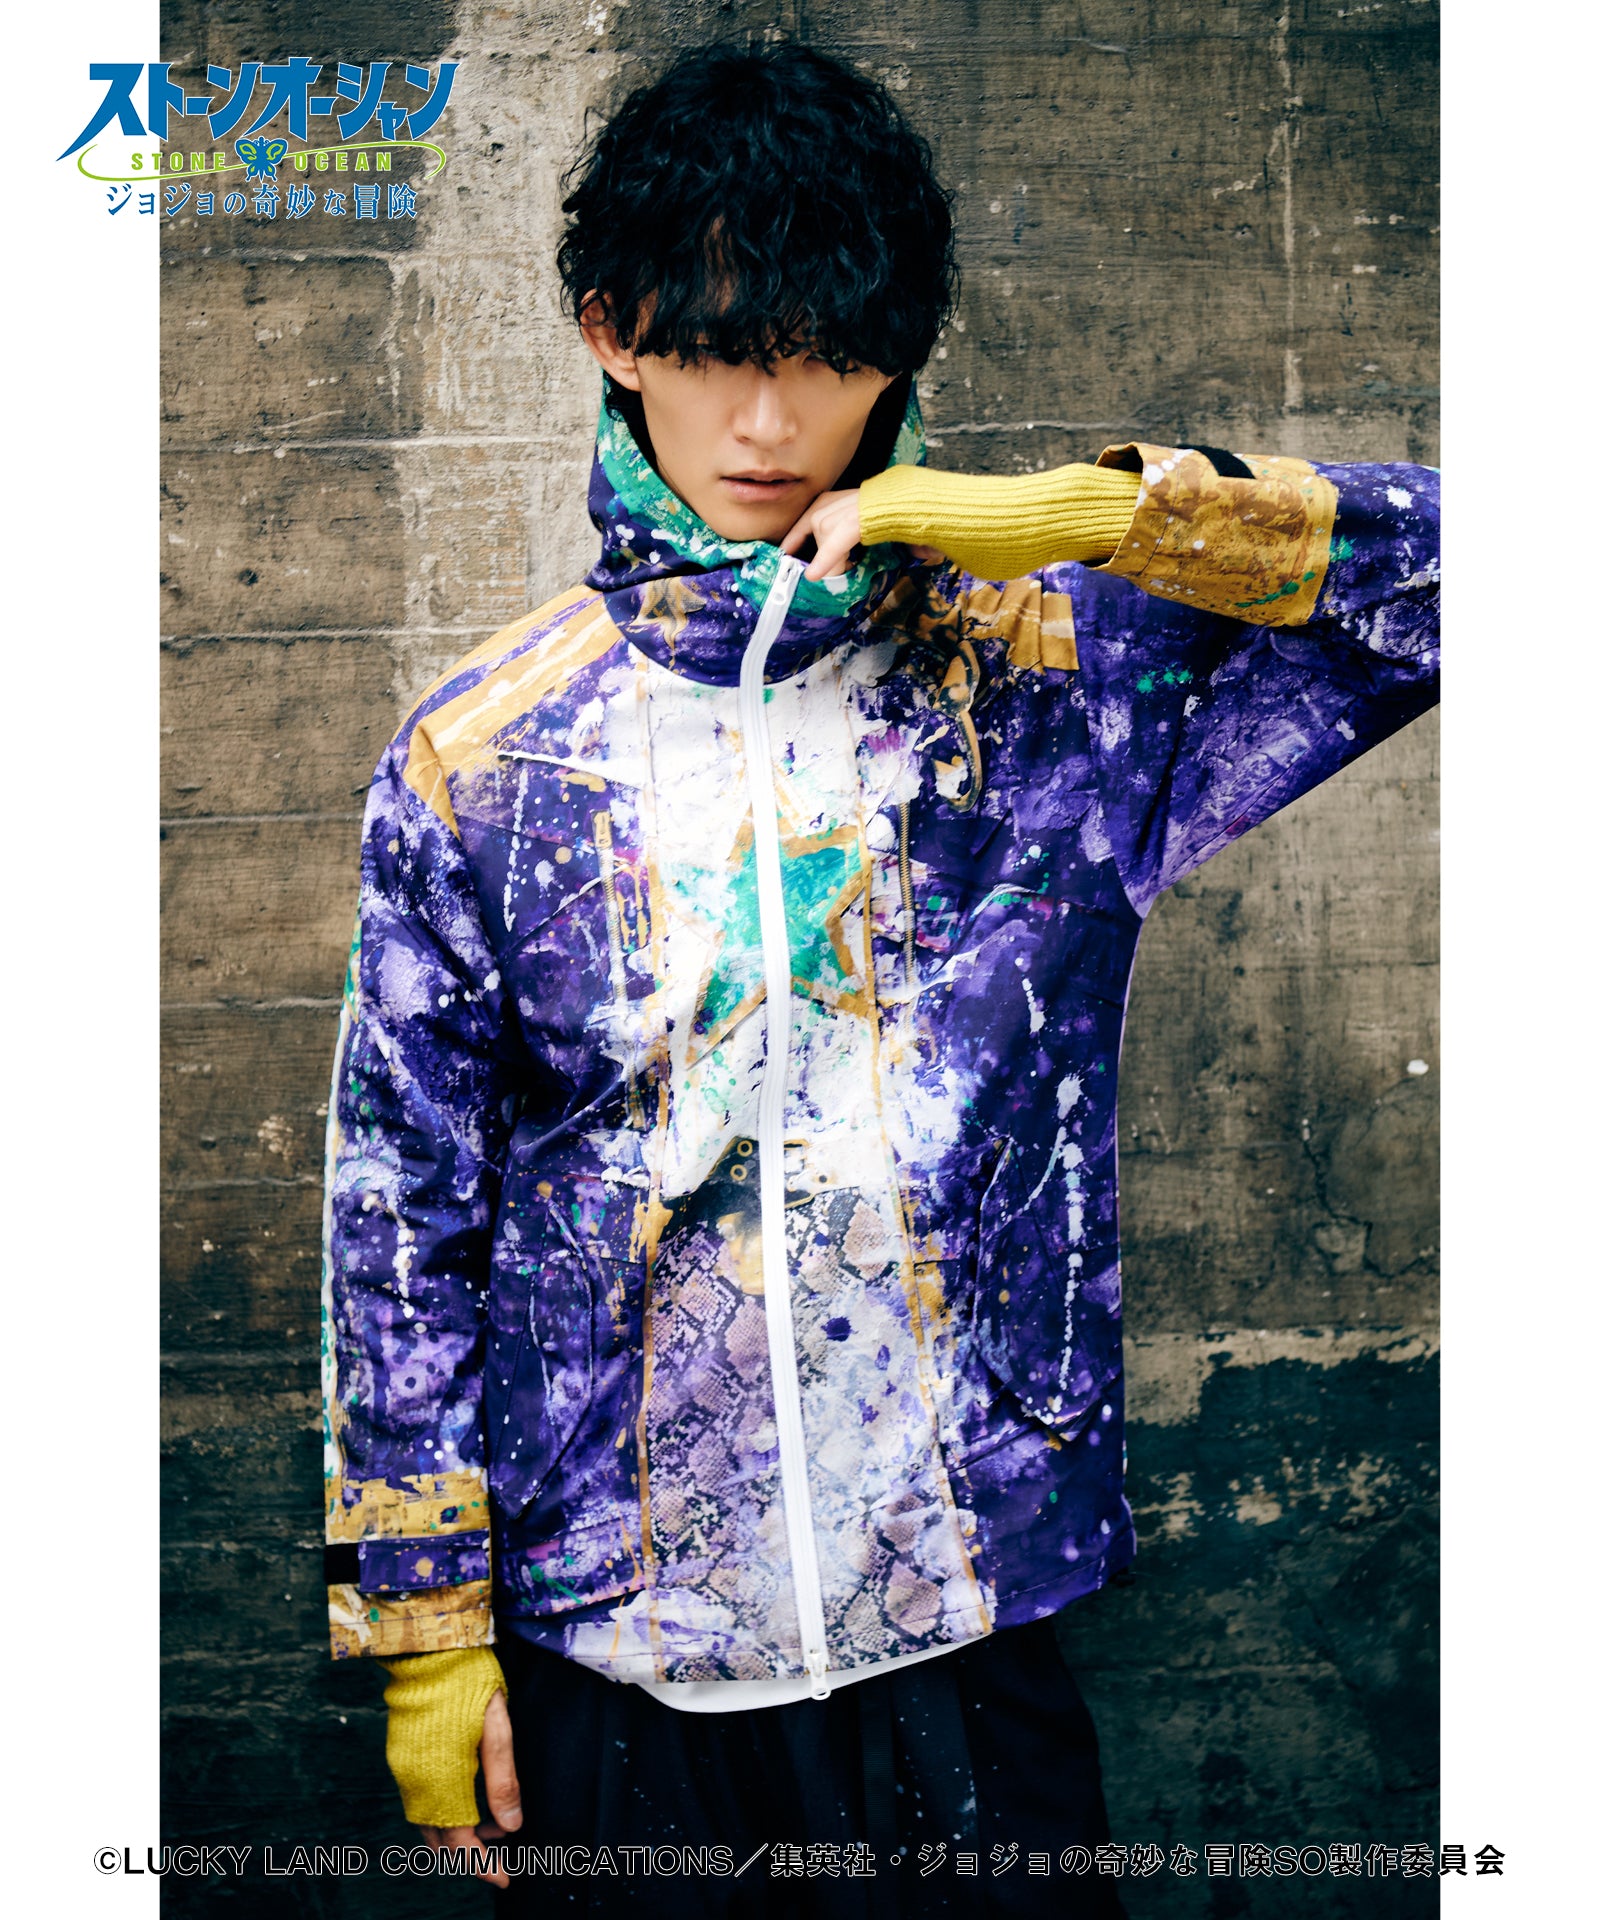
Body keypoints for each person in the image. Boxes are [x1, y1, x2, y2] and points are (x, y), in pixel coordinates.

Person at [319, 38, 1439, 1917]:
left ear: (895, 359)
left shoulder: (1058, 680)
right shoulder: (485, 757)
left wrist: (1089, 517)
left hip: (971, 1607)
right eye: (717, 352)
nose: (770, 421)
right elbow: (399, 1210)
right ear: (613, 333)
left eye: (828, 358)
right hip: (622, 1638)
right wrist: (426, 1635)